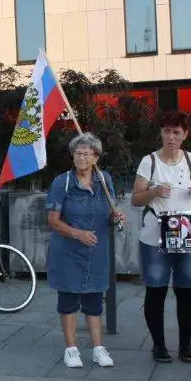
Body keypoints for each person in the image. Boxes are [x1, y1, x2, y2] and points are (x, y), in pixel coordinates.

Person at [131, 111, 191, 364]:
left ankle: (186, 344)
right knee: (156, 289)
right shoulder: (149, 161)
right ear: (161, 133)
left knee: (186, 290)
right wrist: (153, 191)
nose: (171, 137)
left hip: (186, 230)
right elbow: (135, 199)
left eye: (176, 132)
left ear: (185, 135)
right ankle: (158, 345)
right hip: (155, 233)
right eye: (166, 131)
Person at [45, 134, 125, 368]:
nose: (81, 157)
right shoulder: (62, 183)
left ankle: (98, 349)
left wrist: (115, 215)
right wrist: (78, 233)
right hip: (68, 250)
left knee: (94, 301)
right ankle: (71, 349)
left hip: (96, 251)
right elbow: (52, 220)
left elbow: (110, 213)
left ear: (96, 157)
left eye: (86, 153)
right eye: (77, 153)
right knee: (68, 300)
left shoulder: (104, 180)